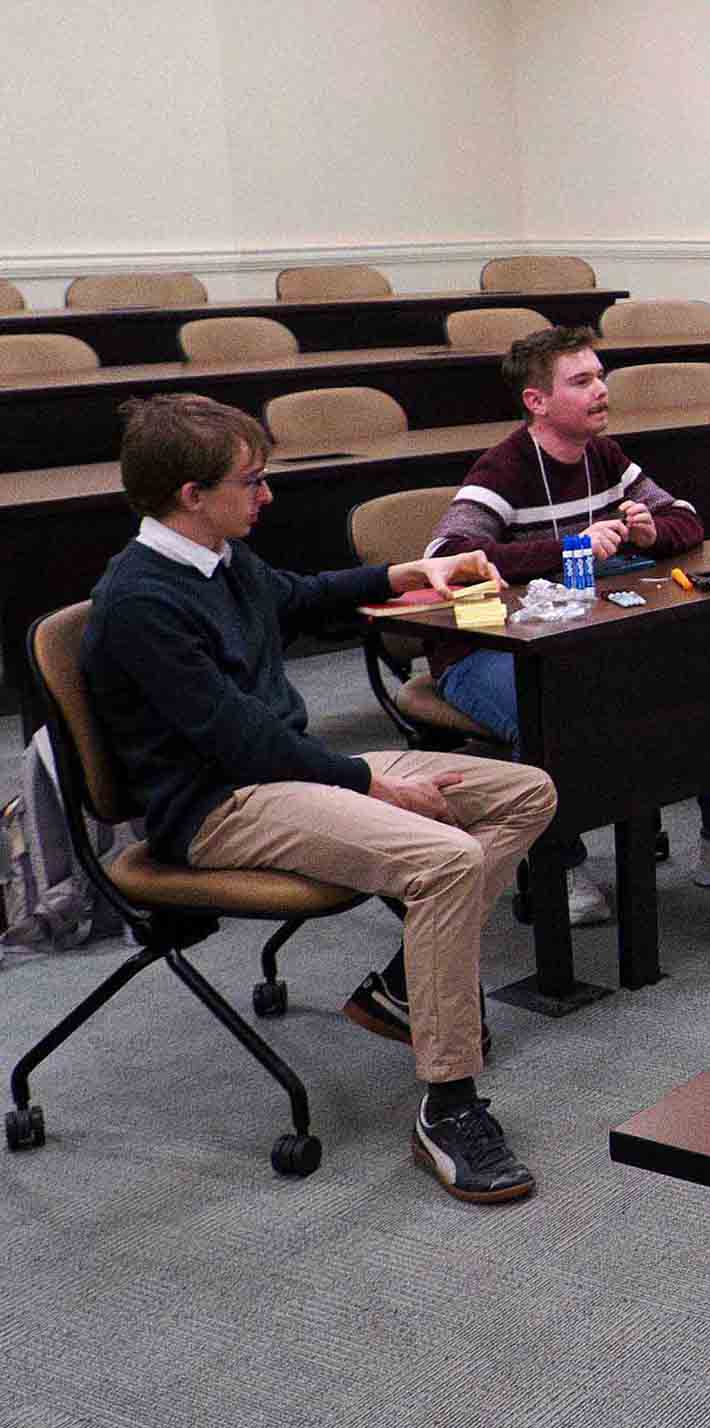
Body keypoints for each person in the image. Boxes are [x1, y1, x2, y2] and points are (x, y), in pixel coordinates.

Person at [84, 394, 557, 1203]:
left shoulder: (218, 558)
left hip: (288, 775)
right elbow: (239, 742)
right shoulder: (141, 601)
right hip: (218, 806)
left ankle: (406, 989)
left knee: (526, 792)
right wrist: (376, 782)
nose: (267, 496)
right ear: (191, 496)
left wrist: (411, 572)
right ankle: (448, 1106)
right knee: (446, 857)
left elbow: (300, 594)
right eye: (251, 482)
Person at [426, 327, 710, 921]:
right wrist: (568, 546)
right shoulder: (502, 469)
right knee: (556, 713)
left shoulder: (603, 456)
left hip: (581, 635)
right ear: (537, 402)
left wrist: (648, 531)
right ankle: (559, 869)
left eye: (600, 377)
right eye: (581, 381)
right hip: (484, 651)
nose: (601, 391)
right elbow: (445, 560)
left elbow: (684, 517)